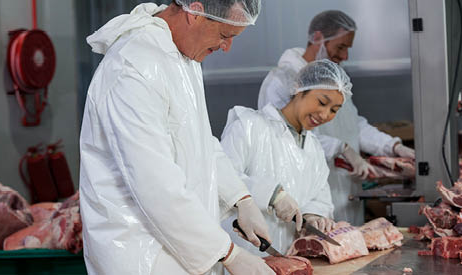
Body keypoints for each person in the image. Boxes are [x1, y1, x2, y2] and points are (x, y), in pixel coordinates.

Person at [79, 1, 275, 274]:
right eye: (224, 35)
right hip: (141, 254)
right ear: (195, 12)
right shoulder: (134, 67)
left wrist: (240, 198)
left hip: (178, 247)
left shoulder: (180, 56)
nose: (226, 47)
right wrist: (229, 254)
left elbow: (199, 141)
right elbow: (154, 182)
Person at [257, 10, 415, 225]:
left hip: (346, 191)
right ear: (318, 38)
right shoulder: (283, 80)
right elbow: (283, 137)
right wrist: (341, 148)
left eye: (348, 49)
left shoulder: (333, 78)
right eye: (340, 47)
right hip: (306, 198)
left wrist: (393, 147)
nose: (345, 56)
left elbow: (352, 125)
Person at [221, 59, 353, 256]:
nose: (325, 114)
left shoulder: (314, 149)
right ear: (300, 89)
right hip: (243, 255)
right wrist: (272, 195)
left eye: (334, 110)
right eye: (322, 102)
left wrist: (313, 214)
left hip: (289, 258)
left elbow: (320, 196)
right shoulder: (249, 126)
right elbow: (222, 179)